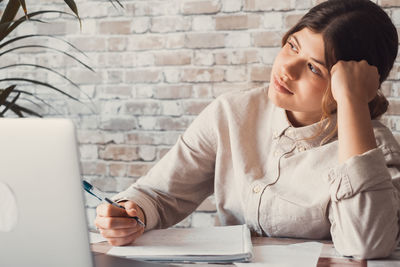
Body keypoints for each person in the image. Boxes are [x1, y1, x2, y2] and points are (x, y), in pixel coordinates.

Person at [95, 0, 400, 259]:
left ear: (350, 85)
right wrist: (130, 212)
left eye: (313, 68)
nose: (286, 69)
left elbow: (366, 243)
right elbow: (159, 194)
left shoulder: (376, 149)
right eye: (292, 46)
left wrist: (352, 102)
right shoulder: (232, 112)